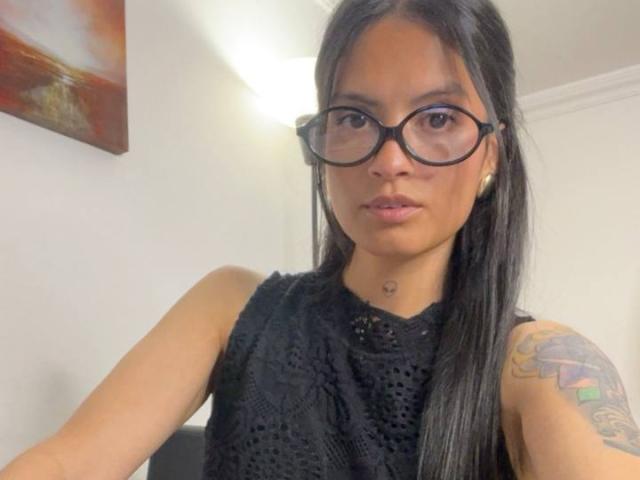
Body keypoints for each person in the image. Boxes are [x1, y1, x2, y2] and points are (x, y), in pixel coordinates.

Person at [2, 0, 639, 479]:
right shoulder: (233, 309)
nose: (390, 160)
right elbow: (68, 462)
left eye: (439, 117)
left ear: (491, 155)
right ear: (323, 141)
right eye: (355, 117)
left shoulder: (539, 363)